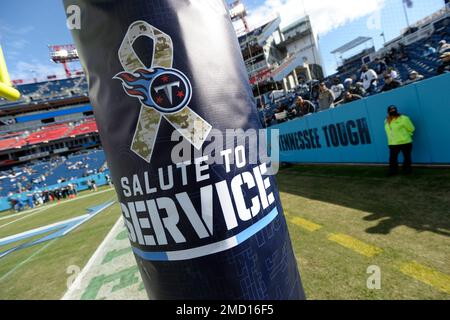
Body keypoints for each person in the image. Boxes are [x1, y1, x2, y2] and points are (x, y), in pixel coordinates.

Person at [385, 106, 415, 176]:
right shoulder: (386, 121)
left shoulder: (404, 118)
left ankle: (407, 170)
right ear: (388, 112)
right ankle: (393, 171)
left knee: (407, 157)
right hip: (392, 144)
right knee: (392, 159)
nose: (393, 111)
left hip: (405, 142)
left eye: (394, 109)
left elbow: (412, 129)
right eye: (391, 110)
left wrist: (406, 135)